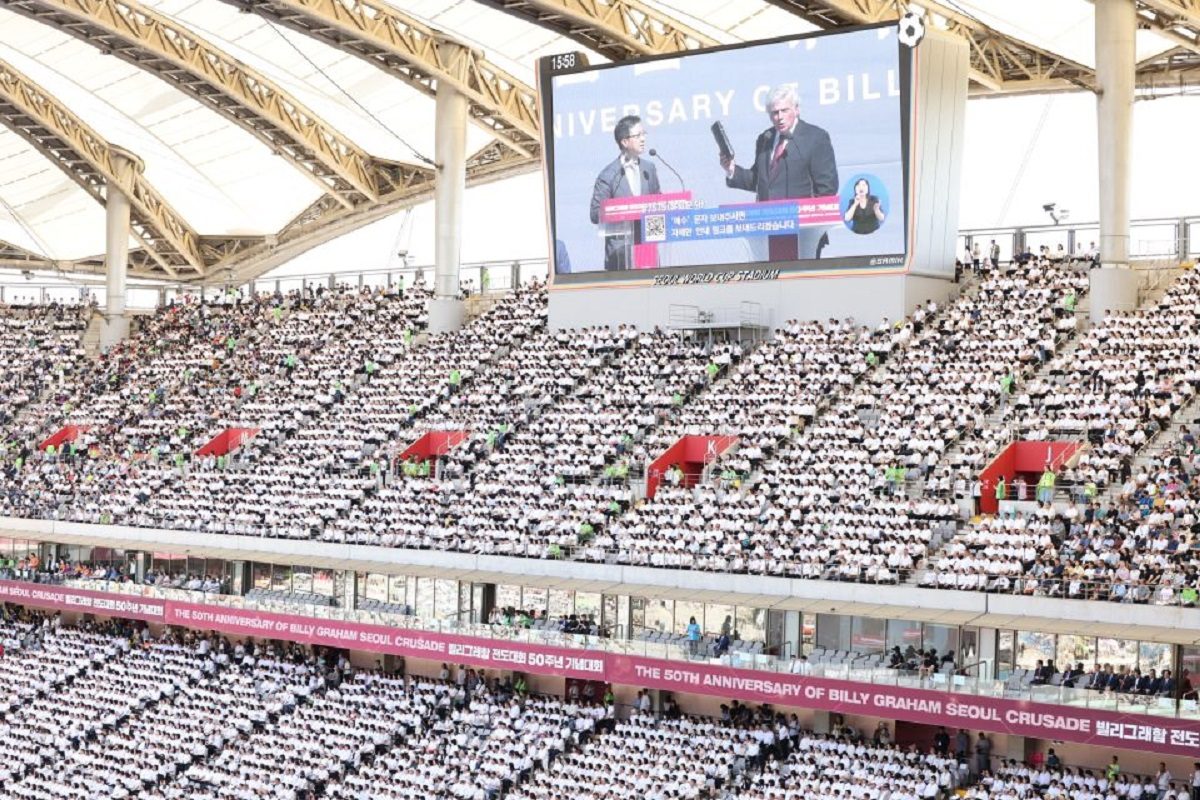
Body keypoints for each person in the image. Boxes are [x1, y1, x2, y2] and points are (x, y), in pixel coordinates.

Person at [721, 84, 838, 260]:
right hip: (766, 234)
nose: (780, 117)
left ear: (797, 109)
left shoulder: (815, 137)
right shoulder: (765, 139)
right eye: (775, 113)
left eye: (785, 111)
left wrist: (808, 217)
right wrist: (732, 170)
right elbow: (759, 181)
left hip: (803, 234)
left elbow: (827, 188)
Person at [589, 114, 661, 271]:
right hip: (619, 254)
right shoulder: (608, 175)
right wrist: (624, 210)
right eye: (638, 135)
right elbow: (595, 214)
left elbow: (660, 204)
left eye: (644, 134)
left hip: (646, 249)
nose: (643, 139)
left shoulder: (649, 169)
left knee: (649, 293)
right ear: (625, 142)